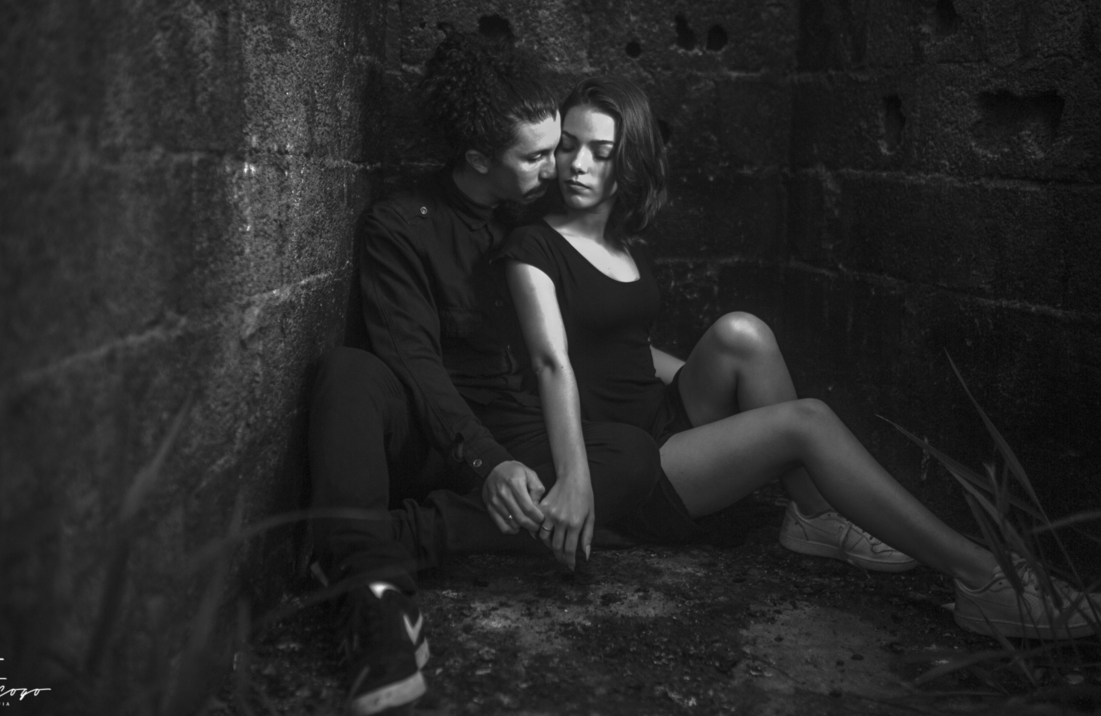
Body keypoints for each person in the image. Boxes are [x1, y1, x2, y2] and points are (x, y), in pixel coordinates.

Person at [498, 75, 1100, 641]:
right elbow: (552, 362)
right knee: (805, 422)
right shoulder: (533, 246)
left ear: (629, 160)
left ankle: (813, 514)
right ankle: (981, 576)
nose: (577, 164)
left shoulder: (620, 243)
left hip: (659, 418)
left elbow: (625, 347)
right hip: (627, 460)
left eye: (600, 152)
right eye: (568, 146)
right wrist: (575, 480)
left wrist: (706, 390)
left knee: (743, 332)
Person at [304, 39, 665, 716]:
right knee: (346, 371)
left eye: (558, 148)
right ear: (477, 159)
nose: (558, 166)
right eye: (537, 157)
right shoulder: (398, 226)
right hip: (431, 432)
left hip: (515, 427)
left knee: (632, 458)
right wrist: (487, 462)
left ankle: (377, 542)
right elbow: (414, 365)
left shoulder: (535, 218)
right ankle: (375, 599)